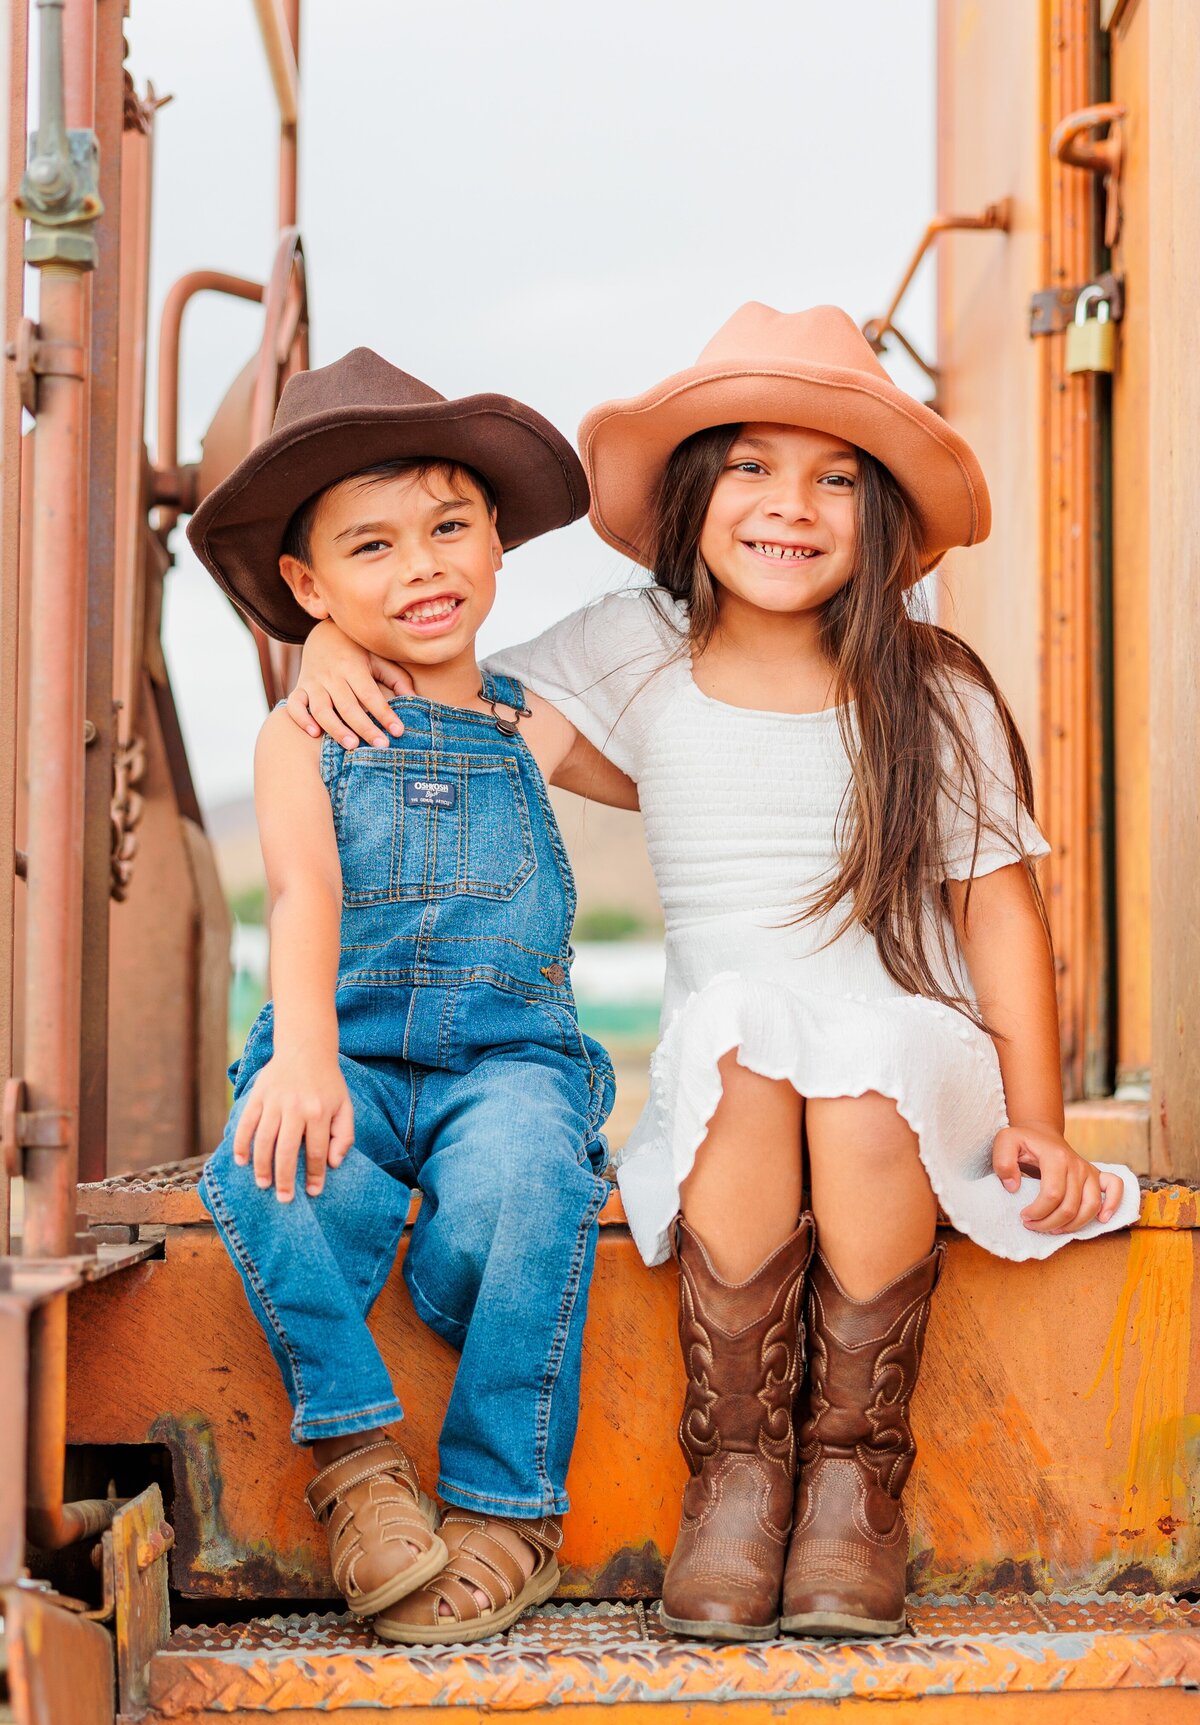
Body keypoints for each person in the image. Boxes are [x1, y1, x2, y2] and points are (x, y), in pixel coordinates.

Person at [284, 306, 1141, 1644]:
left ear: (885, 522)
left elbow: (999, 913)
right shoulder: (635, 650)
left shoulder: (935, 691)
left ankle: (855, 1473)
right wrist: (333, 648)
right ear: (693, 496)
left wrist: (1039, 1119)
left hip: (910, 1065)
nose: (788, 505)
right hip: (729, 1058)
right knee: (747, 1039)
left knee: (855, 1081)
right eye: (749, 465)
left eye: (835, 477)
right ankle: (737, 1474)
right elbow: (443, 686)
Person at [186, 347, 633, 1645]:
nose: (423, 566)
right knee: (268, 1173)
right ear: (308, 587)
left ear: (498, 543)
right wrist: (304, 1055)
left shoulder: (527, 721)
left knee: (527, 1181)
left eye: (449, 527)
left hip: (509, 1053)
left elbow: (679, 774)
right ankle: (361, 1462)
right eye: (370, 550)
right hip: (356, 1041)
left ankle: (506, 1503)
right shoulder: (303, 728)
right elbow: (301, 887)